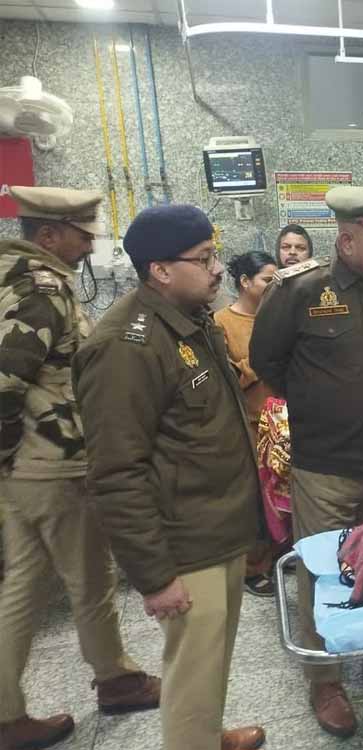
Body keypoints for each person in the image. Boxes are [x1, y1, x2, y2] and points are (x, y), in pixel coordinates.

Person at [72, 204, 266, 750]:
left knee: (211, 660)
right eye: (203, 259)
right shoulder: (125, 348)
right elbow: (116, 473)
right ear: (160, 269)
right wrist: (155, 576)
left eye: (214, 255)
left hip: (218, 528)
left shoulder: (189, 321)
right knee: (192, 670)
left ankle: (203, 734)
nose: (217, 269)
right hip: (185, 545)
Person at [250, 186, 363, 739]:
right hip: (326, 464)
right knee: (323, 570)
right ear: (347, 240)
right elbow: (268, 362)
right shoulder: (300, 290)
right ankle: (325, 678)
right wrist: (324, 406)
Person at [0, 187, 161, 750]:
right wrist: (12, 454)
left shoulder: (13, 278)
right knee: (91, 578)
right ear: (47, 234)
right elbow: (6, 380)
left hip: (26, 469)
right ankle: (117, 680)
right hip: (54, 465)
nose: (90, 244)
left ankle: (6, 712)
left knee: (23, 584)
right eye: (81, 233)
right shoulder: (41, 290)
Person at [214, 251, 280, 598]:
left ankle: (283, 555)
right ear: (244, 282)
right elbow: (225, 378)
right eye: (268, 279)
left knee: (283, 492)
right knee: (254, 497)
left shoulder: (279, 316)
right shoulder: (221, 322)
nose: (274, 285)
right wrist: (259, 363)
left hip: (283, 423)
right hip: (248, 426)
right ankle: (254, 566)